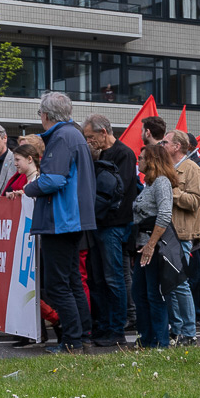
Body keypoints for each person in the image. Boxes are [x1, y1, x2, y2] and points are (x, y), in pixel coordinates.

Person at [21, 91, 95, 353]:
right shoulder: (73, 135)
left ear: (46, 115)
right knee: (72, 280)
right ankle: (81, 336)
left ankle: (73, 341)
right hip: (72, 219)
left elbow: (53, 180)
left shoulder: (61, 137)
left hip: (61, 220)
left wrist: (28, 188)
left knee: (58, 285)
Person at [84, 115, 139, 347]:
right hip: (99, 223)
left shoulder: (123, 154)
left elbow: (120, 189)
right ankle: (105, 325)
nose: (89, 141)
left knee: (113, 278)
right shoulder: (99, 154)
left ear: (104, 132)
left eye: (91, 137)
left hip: (114, 224)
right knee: (98, 278)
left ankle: (116, 329)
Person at [130, 142, 177, 349]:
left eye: (141, 158)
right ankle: (147, 339)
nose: (138, 161)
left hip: (155, 248)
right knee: (139, 293)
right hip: (143, 247)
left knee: (154, 294)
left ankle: (160, 342)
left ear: (151, 160)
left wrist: (150, 245)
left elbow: (165, 214)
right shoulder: (150, 184)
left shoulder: (161, 183)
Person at [162, 131, 200, 346]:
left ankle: (189, 332)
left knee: (180, 284)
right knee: (170, 284)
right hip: (167, 233)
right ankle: (177, 329)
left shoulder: (192, 169)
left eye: (165, 142)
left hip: (182, 234)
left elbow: (195, 201)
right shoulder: (168, 169)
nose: (162, 144)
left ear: (177, 146)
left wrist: (171, 192)